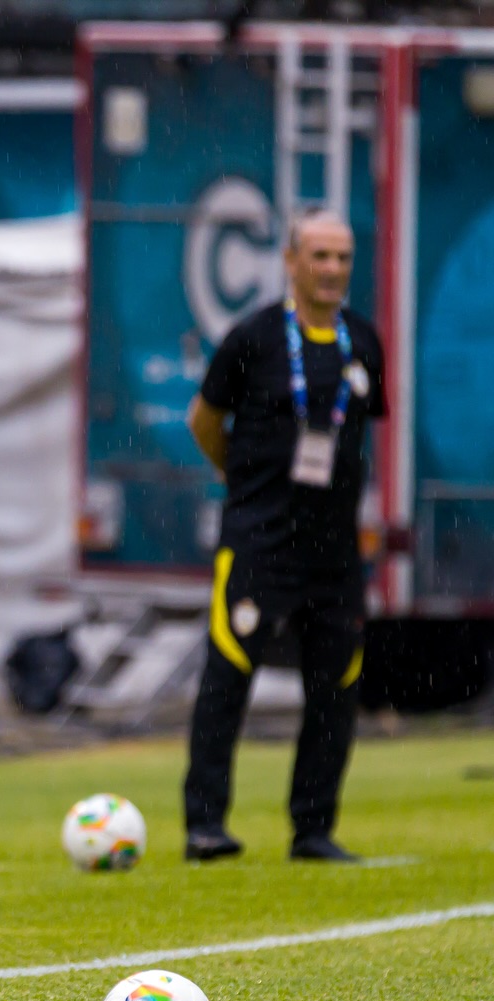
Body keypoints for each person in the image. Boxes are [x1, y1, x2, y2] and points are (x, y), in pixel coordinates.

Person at [183, 209, 386, 863]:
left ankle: (313, 829)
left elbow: (363, 433)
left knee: (335, 688)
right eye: (320, 255)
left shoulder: (363, 340)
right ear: (291, 260)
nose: (332, 269)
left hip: (334, 551)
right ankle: (205, 825)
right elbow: (203, 420)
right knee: (227, 677)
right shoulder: (254, 337)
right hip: (258, 541)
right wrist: (242, 481)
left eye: (342, 258)